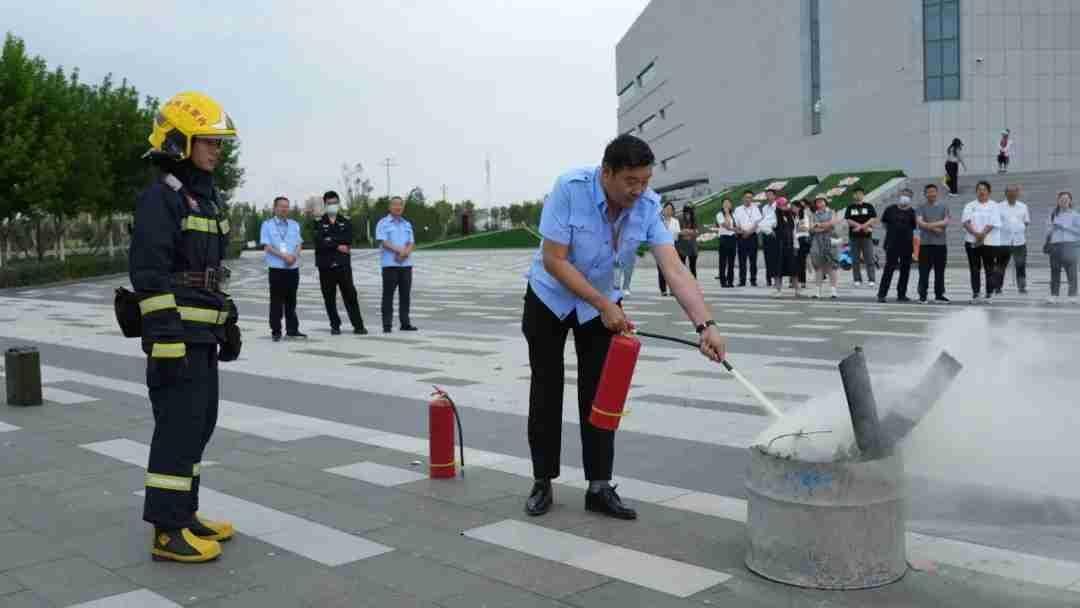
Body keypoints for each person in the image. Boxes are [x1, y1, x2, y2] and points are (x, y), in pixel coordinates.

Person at [522, 134, 726, 520]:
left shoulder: (647, 206)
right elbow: (554, 259)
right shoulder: (570, 188)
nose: (639, 190)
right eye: (631, 181)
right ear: (607, 173)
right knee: (546, 388)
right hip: (550, 298)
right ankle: (542, 480)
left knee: (602, 392)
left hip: (603, 301)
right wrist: (603, 305)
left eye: (645, 181)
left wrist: (706, 325)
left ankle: (599, 486)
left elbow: (674, 268)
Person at [129, 91, 242, 563]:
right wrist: (165, 336)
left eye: (219, 143)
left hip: (201, 336)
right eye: (209, 142)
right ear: (178, 142)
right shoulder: (162, 198)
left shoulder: (203, 198)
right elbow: (149, 275)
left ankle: (185, 514)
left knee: (198, 425)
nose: (217, 151)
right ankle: (166, 531)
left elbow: (206, 273)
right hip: (176, 338)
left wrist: (226, 318)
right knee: (177, 430)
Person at [314, 190, 367, 335]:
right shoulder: (318, 222)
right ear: (325, 204)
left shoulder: (345, 221)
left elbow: (348, 239)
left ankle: (358, 325)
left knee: (350, 294)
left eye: (335, 203)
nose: (333, 205)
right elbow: (319, 242)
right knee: (329, 297)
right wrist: (337, 245)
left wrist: (330, 240)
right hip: (325, 266)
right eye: (329, 203)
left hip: (343, 265)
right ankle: (335, 325)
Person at [261, 197, 306, 341]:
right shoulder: (267, 225)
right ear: (275, 208)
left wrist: (293, 257)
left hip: (293, 268)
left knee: (291, 301)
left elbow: (299, 244)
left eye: (287, 206)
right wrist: (284, 256)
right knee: (276, 301)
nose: (285, 209)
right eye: (281, 206)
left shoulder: (294, 224)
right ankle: (276, 331)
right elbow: (267, 246)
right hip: (277, 269)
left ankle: (292, 329)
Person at [376, 196, 418, 332]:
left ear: (403, 207)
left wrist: (405, 253)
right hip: (390, 265)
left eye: (400, 205)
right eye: (395, 204)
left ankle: (405, 323)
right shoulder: (383, 223)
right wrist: (400, 251)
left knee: (405, 295)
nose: (397, 207)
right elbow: (383, 241)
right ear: (390, 207)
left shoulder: (407, 224)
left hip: (406, 264)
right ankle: (387, 325)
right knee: (388, 295)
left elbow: (411, 242)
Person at [962, 181, 1004, 303]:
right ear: (976, 191)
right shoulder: (970, 205)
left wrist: (982, 235)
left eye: (984, 189)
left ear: (989, 192)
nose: (981, 191)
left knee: (989, 268)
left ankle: (989, 294)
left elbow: (993, 222)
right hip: (972, 241)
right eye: (979, 189)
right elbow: (966, 222)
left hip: (990, 242)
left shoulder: (994, 205)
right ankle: (976, 294)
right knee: (974, 269)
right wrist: (976, 234)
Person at [877, 189, 918, 303]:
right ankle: (882, 294)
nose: (905, 197)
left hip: (907, 244)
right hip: (892, 243)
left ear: (910, 199)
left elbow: (914, 226)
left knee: (905, 270)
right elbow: (884, 223)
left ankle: (901, 294)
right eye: (904, 195)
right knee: (889, 269)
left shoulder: (912, 212)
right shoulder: (890, 209)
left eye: (908, 196)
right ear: (899, 196)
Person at [916, 183, 950, 303]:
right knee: (923, 271)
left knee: (940, 271)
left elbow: (946, 221)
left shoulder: (944, 207)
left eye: (933, 191)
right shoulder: (921, 207)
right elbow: (920, 222)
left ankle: (939, 295)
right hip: (925, 244)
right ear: (925, 194)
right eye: (929, 192)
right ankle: (922, 295)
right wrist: (935, 228)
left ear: (937, 193)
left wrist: (929, 225)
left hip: (940, 244)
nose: (931, 194)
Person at [1046, 192, 1079, 304]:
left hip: (1070, 245)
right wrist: (1052, 229)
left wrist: (1064, 227)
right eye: (1061, 199)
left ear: (1070, 201)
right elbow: (1047, 231)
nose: (1064, 201)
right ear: (1058, 201)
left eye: (1066, 199)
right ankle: (1054, 295)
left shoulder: (1075, 215)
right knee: (1055, 271)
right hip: (1055, 245)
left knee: (1072, 272)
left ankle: (1072, 295)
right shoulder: (1053, 215)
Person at [997, 185, 1030, 294]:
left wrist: (1019, 228)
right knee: (1000, 266)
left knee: (1021, 265)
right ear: (1005, 194)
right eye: (1009, 192)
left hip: (1019, 241)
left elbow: (1026, 221)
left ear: (1017, 194)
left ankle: (1022, 287)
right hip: (1003, 241)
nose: (1012, 194)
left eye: (1014, 192)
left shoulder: (1023, 206)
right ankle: (997, 287)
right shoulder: (999, 206)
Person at [844, 186, 878, 286]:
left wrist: (862, 226)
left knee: (869, 258)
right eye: (856, 193)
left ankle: (871, 279)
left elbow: (873, 218)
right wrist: (858, 226)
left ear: (863, 195)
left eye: (860, 193)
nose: (858, 195)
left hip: (867, 236)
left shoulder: (868, 206)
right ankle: (857, 279)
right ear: (853, 195)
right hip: (854, 237)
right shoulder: (850, 207)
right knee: (855, 259)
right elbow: (848, 220)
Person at [809, 196, 840, 299]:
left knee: (831, 265)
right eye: (817, 202)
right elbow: (811, 228)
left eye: (821, 201)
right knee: (818, 266)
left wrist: (818, 225)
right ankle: (817, 291)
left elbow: (832, 224)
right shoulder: (813, 214)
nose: (819, 203)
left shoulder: (832, 212)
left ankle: (833, 291)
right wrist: (824, 227)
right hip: (817, 241)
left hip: (830, 240)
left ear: (825, 202)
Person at [771, 197, 800, 298]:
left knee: (794, 269)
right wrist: (771, 232)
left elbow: (794, 231)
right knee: (778, 269)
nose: (785, 206)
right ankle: (778, 290)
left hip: (790, 245)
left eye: (786, 204)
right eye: (782, 204)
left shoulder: (790, 215)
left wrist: (796, 245)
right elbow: (764, 225)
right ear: (778, 206)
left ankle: (797, 290)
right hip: (779, 246)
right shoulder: (774, 215)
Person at [733, 190, 762, 286]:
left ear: (752, 199)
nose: (748, 199)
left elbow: (758, 223)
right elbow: (735, 224)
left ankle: (753, 280)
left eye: (750, 197)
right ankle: (742, 280)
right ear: (743, 198)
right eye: (746, 197)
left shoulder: (756, 209)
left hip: (752, 236)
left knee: (753, 260)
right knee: (742, 260)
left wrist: (749, 232)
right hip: (741, 236)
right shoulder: (738, 209)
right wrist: (742, 232)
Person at [759, 189, 780, 287]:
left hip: (776, 233)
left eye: (770, 194)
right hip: (766, 234)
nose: (768, 197)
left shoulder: (778, 206)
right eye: (767, 195)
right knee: (767, 257)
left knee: (776, 257)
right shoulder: (764, 208)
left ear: (775, 196)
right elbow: (763, 221)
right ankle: (768, 278)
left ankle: (777, 278)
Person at [658, 202, 679, 295]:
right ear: (663, 210)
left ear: (673, 211)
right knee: (662, 270)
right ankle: (663, 290)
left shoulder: (675, 221)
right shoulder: (659, 221)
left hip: (671, 247)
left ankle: (672, 289)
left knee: (672, 271)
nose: (668, 211)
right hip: (660, 248)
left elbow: (676, 236)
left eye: (670, 209)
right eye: (667, 209)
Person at [714, 198, 737, 287]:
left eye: (728, 203)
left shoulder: (733, 214)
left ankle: (730, 281)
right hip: (724, 238)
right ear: (722, 205)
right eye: (725, 203)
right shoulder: (719, 214)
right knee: (723, 261)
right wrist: (727, 213)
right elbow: (726, 225)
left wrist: (735, 229)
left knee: (731, 261)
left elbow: (736, 226)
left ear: (731, 205)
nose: (727, 205)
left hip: (732, 238)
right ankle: (723, 281)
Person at [676, 206, 700, 279]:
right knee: (682, 266)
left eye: (689, 213)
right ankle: (683, 280)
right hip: (682, 246)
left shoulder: (694, 219)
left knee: (693, 266)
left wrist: (688, 231)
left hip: (692, 246)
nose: (688, 215)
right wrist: (688, 232)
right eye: (686, 213)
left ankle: (694, 281)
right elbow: (678, 231)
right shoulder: (679, 219)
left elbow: (697, 232)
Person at [794, 200, 812, 290]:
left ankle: (802, 281)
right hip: (795, 239)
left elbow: (806, 228)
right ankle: (795, 280)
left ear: (799, 207)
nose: (793, 209)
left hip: (803, 239)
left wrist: (797, 228)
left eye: (794, 207)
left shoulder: (804, 216)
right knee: (795, 261)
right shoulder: (794, 216)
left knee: (801, 261)